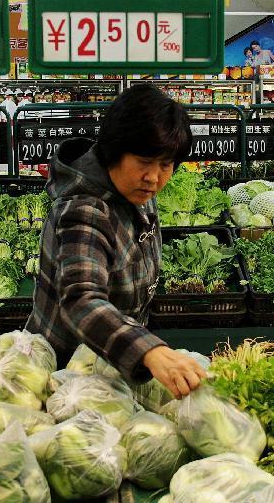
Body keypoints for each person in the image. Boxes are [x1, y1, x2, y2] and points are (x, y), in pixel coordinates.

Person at [25, 84, 207, 398]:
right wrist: (149, 351)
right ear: (114, 150)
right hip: (65, 381)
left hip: (108, 366)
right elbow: (81, 298)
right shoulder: (85, 210)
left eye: (166, 165)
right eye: (144, 162)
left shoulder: (131, 189)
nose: (154, 178)